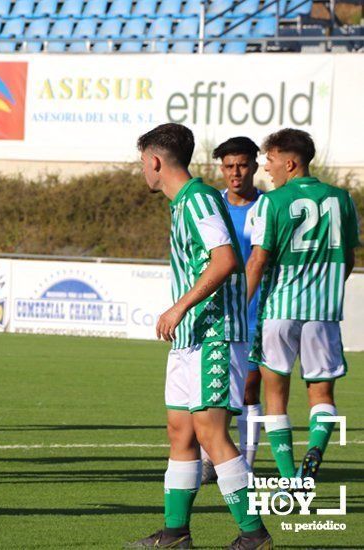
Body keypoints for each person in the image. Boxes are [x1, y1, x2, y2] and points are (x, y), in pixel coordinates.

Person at [129, 123, 271, 550]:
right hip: (190, 338)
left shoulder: (198, 199)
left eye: (142, 163)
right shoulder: (182, 204)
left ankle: (254, 534)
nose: (143, 171)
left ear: (154, 161)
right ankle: (176, 533)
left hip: (215, 334)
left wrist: (179, 306)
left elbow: (226, 259)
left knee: (211, 433)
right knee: (180, 432)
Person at [247, 128, 359, 483]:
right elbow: (349, 259)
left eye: (271, 159)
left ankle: (288, 479)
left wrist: (238, 305)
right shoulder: (342, 198)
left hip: (280, 309)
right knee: (322, 392)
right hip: (323, 313)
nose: (267, 167)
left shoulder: (272, 201)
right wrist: (325, 289)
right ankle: (315, 452)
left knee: (275, 393)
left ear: (291, 162)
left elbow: (259, 259)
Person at [200, 137, 264, 484]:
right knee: (215, 387)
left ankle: (247, 463)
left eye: (241, 165)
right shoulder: (214, 206)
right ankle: (211, 457)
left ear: (254, 165)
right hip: (217, 312)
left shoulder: (267, 207)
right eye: (229, 166)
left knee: (248, 389)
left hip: (256, 312)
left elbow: (263, 260)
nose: (235, 172)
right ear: (221, 169)